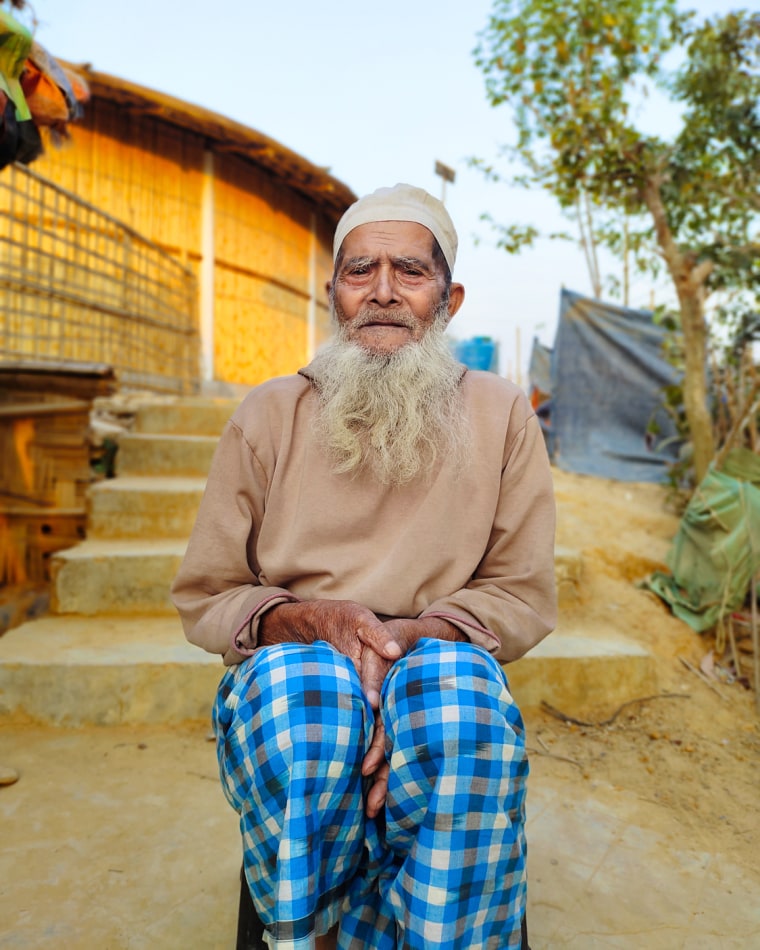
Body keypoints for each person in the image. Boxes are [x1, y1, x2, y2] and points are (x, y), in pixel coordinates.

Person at [171, 183, 556, 950]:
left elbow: (519, 590)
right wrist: (312, 621)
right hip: (295, 652)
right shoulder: (270, 412)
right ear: (333, 294)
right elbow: (211, 591)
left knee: (460, 720)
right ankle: (306, 935)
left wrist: (410, 639)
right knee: (306, 716)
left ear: (449, 297)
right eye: (361, 271)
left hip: (441, 648)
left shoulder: (502, 412)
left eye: (410, 271)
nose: (383, 292)